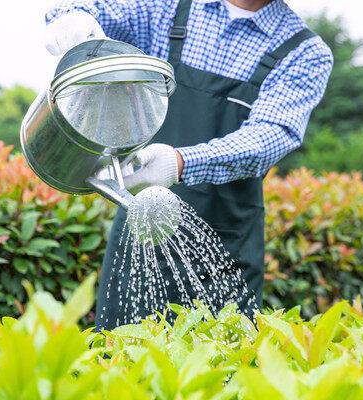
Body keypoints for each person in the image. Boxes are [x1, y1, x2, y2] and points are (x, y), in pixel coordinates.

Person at [45, 0, 333, 330]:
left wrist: (179, 163)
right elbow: (93, 9)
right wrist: (75, 20)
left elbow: (270, 136)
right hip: (140, 232)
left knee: (218, 372)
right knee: (119, 364)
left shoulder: (302, 51)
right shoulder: (167, 9)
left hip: (223, 252)